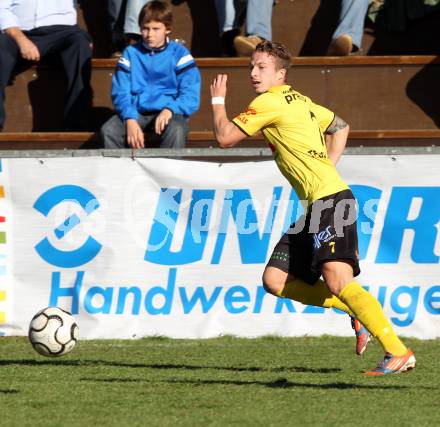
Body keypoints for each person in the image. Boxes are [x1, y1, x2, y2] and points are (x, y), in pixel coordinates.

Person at [210, 40, 416, 375]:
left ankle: (397, 351)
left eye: (261, 67)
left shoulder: (269, 102)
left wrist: (217, 101)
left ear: (281, 74)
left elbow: (224, 137)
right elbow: (340, 126)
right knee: (275, 279)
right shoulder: (300, 100)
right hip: (318, 204)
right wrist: (328, 167)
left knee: (338, 280)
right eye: (252, 66)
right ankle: (354, 311)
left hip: (330, 201)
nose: (253, 73)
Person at [100, 0, 201, 149]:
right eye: (145, 29)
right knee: (109, 131)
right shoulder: (130, 53)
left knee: (177, 130)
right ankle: (120, 172)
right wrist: (129, 118)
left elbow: (191, 94)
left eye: (156, 29)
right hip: (136, 111)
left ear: (168, 29)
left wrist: (170, 109)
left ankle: (168, 173)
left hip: (170, 111)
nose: (149, 34)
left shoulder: (180, 54)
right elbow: (120, 92)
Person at [0, 0, 92, 131]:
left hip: (62, 31)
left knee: (80, 43)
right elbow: (2, 8)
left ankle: (75, 125)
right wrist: (21, 40)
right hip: (19, 31)